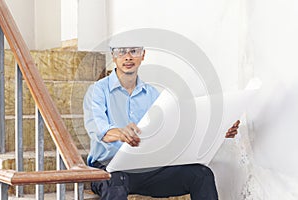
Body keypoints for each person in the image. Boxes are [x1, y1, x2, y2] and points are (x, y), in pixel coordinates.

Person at [83, 45, 240, 200]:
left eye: (134, 51)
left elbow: (172, 132)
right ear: (113, 56)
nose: (128, 57)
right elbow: (97, 128)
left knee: (201, 174)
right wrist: (120, 133)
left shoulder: (153, 95)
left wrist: (219, 131)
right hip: (106, 169)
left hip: (145, 168)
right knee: (116, 182)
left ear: (143, 55)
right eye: (122, 52)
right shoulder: (97, 91)